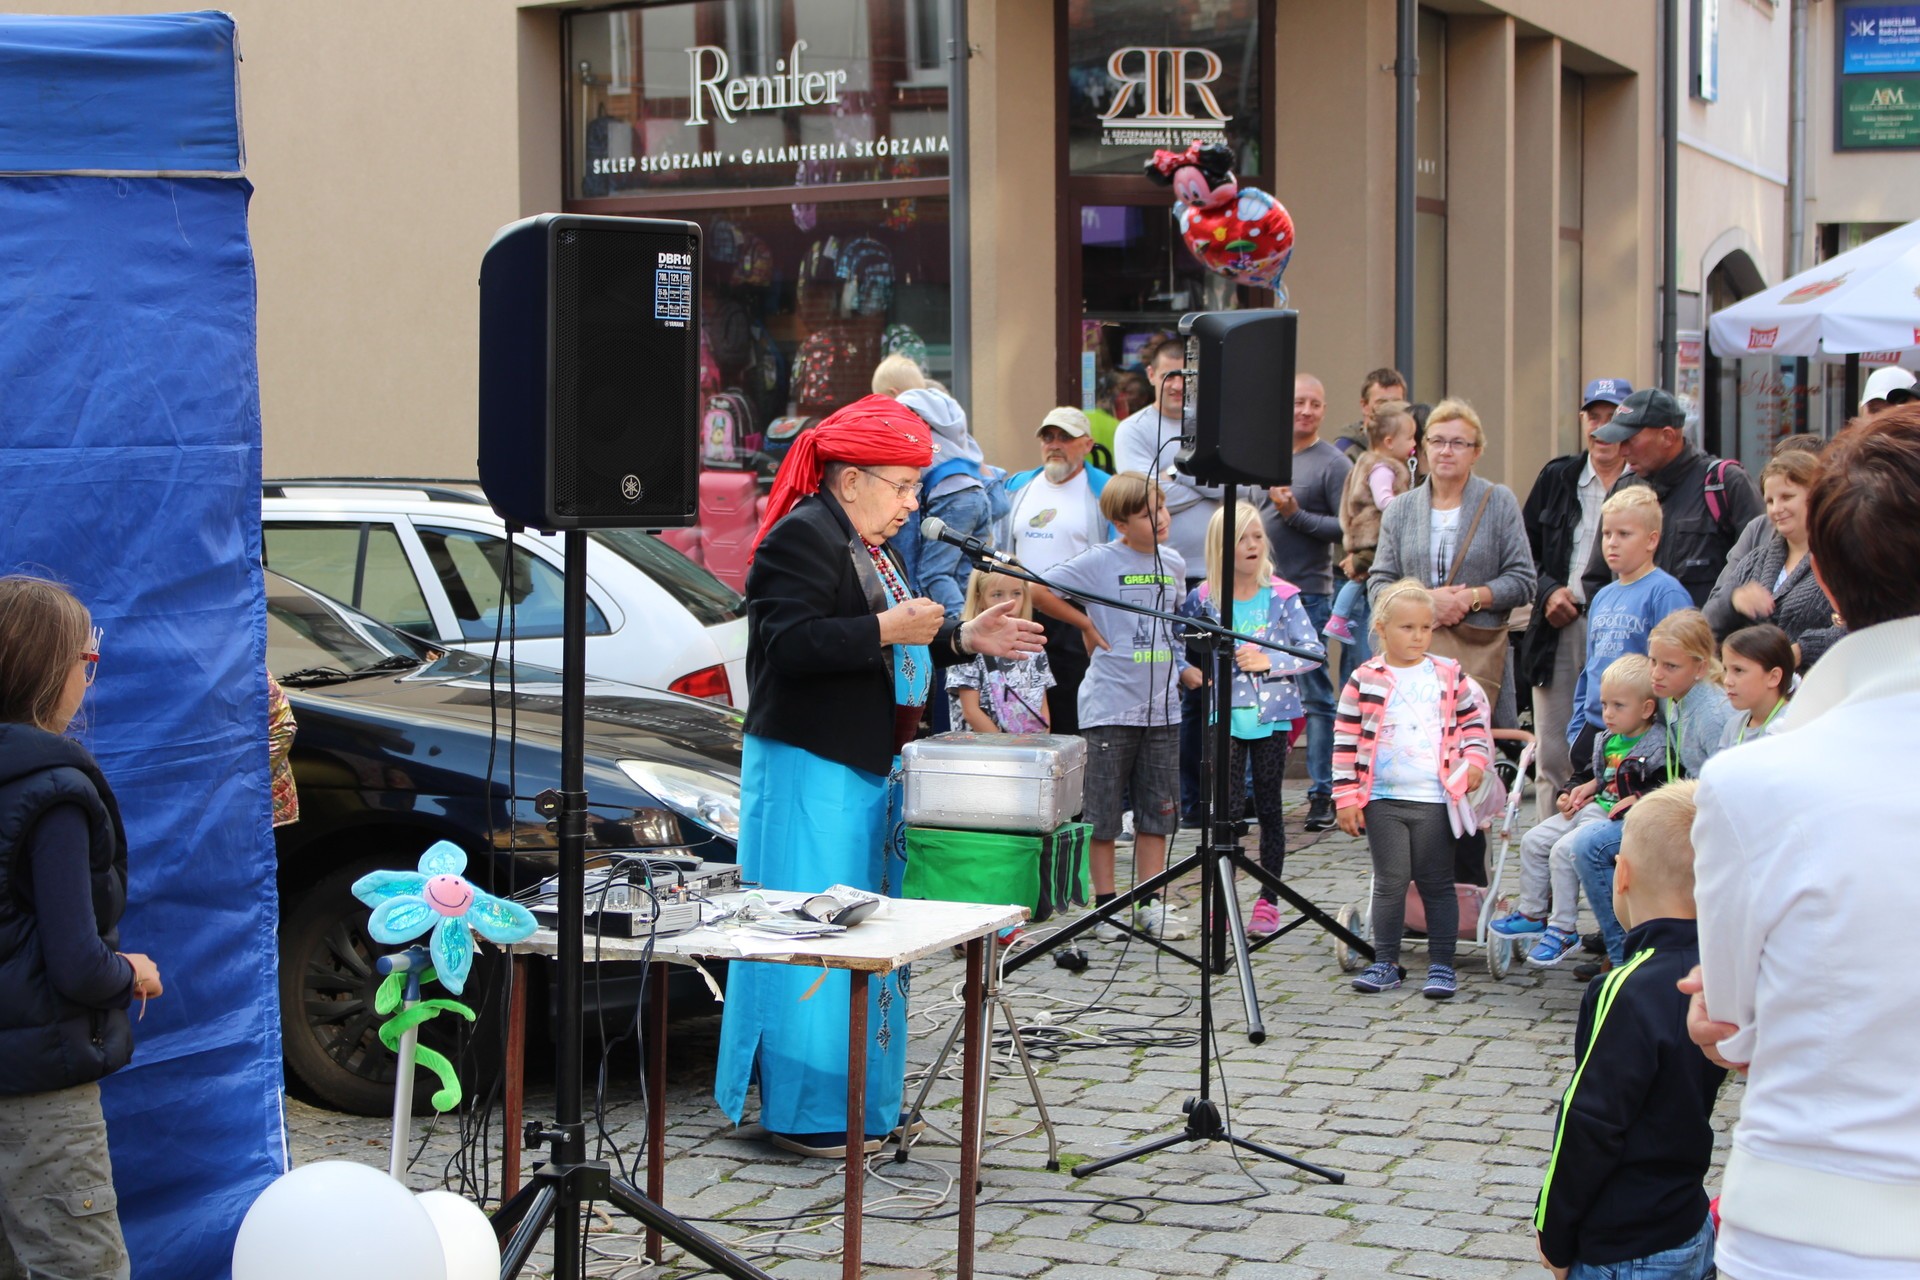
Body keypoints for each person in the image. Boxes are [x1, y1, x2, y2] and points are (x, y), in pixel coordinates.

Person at [715, 395, 1044, 1159]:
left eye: (915, 487)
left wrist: (963, 638)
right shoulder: (801, 537)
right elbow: (787, 643)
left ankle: (866, 1104)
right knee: (814, 937)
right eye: (901, 486)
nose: (911, 504)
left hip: (865, 766)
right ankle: (807, 1114)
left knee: (869, 937)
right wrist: (885, 628)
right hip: (808, 767)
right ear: (851, 478)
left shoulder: (872, 542)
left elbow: (900, 643)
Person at [1684, 409, 1920, 1279]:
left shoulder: (1757, 783)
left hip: (1810, 1221)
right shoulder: (1754, 782)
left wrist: (1720, 1018)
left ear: (1822, 572)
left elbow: (1733, 1025)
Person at [0, 575, 163, 1280]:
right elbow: (76, 963)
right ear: (47, 671)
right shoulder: (54, 793)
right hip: (39, 1098)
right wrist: (132, 972)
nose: (87, 679)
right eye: (85, 660)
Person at [1534, 782, 1726, 1280]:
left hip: (1623, 1243)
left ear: (1621, 874)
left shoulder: (1623, 988)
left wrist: (1553, 1232)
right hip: (1687, 1220)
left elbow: (1588, 1122)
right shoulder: (1719, 979)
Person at [1032, 472, 1192, 941]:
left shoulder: (1174, 562)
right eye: (1146, 514)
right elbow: (1038, 589)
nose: (1160, 518)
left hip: (1163, 709)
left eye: (1162, 508)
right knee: (1102, 815)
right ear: (1121, 523)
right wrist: (1084, 622)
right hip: (1109, 708)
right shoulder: (1100, 560)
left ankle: (1150, 902)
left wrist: (1183, 669)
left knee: (1156, 813)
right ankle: (1106, 907)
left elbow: (1172, 630)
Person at [1332, 579, 1493, 999]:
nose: (1418, 636)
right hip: (1382, 798)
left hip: (1434, 798)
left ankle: (1441, 964)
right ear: (1381, 629)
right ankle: (1385, 962)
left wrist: (1475, 762)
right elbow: (1345, 740)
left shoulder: (1447, 674)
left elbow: (1474, 724)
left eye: (1425, 627)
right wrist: (1346, 797)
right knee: (1390, 882)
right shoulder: (1363, 678)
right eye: (1407, 628)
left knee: (1436, 882)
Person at [1176, 504, 1324, 938]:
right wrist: (1189, 670)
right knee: (1223, 813)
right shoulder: (1203, 598)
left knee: (1270, 808)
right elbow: (1183, 643)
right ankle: (1220, 903)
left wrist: (1270, 661)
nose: (1253, 545)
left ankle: (1268, 901)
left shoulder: (1283, 595)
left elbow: (1312, 652)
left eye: (1258, 536)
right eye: (1242, 538)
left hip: (1273, 718)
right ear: (1221, 546)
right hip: (1222, 716)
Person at [1565, 609, 1732, 978]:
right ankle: (1629, 947)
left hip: (1700, 817)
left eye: (1670, 666)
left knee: (1590, 846)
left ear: (1699, 667)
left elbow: (1722, 784)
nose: (1656, 673)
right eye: (1654, 661)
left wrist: (1649, 802)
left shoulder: (1710, 712)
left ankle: (1624, 959)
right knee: (1578, 841)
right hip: (1672, 806)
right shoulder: (1671, 698)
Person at [1114, 337, 1233, 822]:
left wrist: (1176, 476)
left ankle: (1205, 799)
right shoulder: (1133, 430)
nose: (1179, 385)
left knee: (1209, 691)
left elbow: (1239, 489)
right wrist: (1203, 479)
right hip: (1156, 577)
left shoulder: (1217, 426)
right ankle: (1166, 798)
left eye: (1187, 376)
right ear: (1151, 376)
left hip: (1215, 576)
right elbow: (1140, 497)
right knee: (1162, 687)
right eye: (1169, 375)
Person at [1490, 655, 1669, 969]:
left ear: (1646, 709)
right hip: (1592, 809)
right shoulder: (1605, 739)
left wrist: (1638, 798)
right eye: (1604, 704)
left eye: (1618, 706)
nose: (1607, 713)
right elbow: (1586, 774)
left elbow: (1664, 786)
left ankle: (1563, 928)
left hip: (1617, 819)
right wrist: (1569, 793)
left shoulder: (1656, 746)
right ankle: (1533, 913)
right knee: (1534, 840)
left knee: (1563, 851)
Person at [1366, 398, 1535, 715]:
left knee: (1479, 742)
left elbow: (1523, 581)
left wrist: (1469, 599)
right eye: (1438, 441)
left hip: (1480, 658)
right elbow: (1378, 585)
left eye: (1458, 443)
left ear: (1476, 452)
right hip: (1411, 660)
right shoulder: (1400, 509)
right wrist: (1426, 603)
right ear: (1424, 447)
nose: (1446, 451)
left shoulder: (1499, 502)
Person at [1520, 377, 1633, 819]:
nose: (1601, 429)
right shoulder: (1558, 476)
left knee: (1616, 745)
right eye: (1594, 417)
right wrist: (1547, 591)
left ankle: (1599, 845)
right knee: (1553, 753)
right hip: (1560, 627)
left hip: (1621, 624)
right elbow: (1523, 551)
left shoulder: (1642, 481)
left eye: (1612, 418)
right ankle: (1547, 850)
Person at [1263, 372, 1354, 831]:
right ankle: (1255, 793)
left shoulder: (1334, 463)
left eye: (1315, 404)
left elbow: (1346, 528)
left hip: (1310, 594)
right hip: (1259, 595)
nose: (1306, 411)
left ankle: (1323, 792)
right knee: (1258, 693)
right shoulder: (1262, 456)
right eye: (1299, 402)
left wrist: (1294, 515)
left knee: (1316, 697)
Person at [1582, 388, 1762, 607]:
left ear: (1667, 436)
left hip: (1704, 628)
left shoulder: (1725, 484)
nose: (1622, 451)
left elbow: (1759, 569)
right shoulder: (1623, 488)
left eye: (1629, 440)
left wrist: (1716, 622)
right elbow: (1597, 579)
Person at [998, 406, 1113, 737]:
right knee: (1022, 709)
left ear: (1088, 444)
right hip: (1021, 612)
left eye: (1065, 437)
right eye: (1048, 437)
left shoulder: (1105, 490)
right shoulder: (1017, 486)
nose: (1055, 444)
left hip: (1075, 615)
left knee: (1071, 711)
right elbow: (1001, 550)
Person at [1562, 487, 1694, 769]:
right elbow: (1590, 666)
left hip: (1641, 734)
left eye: (1624, 534)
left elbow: (1678, 671)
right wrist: (1578, 727)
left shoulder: (1665, 593)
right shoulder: (1602, 596)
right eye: (1607, 533)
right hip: (1596, 728)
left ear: (1651, 540)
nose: (1612, 543)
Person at [1703, 447, 1842, 669]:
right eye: (1769, 501)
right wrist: (1732, 602)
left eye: (1787, 497)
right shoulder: (1755, 560)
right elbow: (1704, 627)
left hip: (1818, 685)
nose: (1777, 509)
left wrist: (1802, 650)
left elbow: (1863, 627)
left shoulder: (1843, 560)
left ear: (1816, 496)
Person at [1325, 399, 1418, 659]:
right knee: (1361, 576)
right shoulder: (1382, 468)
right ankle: (1339, 617)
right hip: (1373, 535)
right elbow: (1383, 500)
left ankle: (1341, 617)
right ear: (1389, 442)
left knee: (1362, 579)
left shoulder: (1369, 462)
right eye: (1410, 438)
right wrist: (1408, 504)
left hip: (1367, 534)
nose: (1414, 443)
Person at [946, 569, 1053, 734]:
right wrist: (1007, 747)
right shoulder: (968, 647)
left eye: (1016, 593)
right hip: (980, 747)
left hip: (1029, 747)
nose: (1009, 603)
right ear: (979, 598)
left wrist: (1041, 742)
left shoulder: (1033, 647)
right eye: (997, 595)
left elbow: (1042, 707)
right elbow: (971, 712)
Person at [1715, 623, 1794, 752]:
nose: (1727, 681)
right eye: (1725, 669)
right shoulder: (1733, 726)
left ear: (1773, 677)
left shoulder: (1793, 726)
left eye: (1738, 670)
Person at [1332, 366, 1409, 459]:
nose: (1390, 409)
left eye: (1396, 403)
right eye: (1382, 403)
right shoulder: (1346, 449)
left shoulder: (1413, 445)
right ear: (1364, 406)